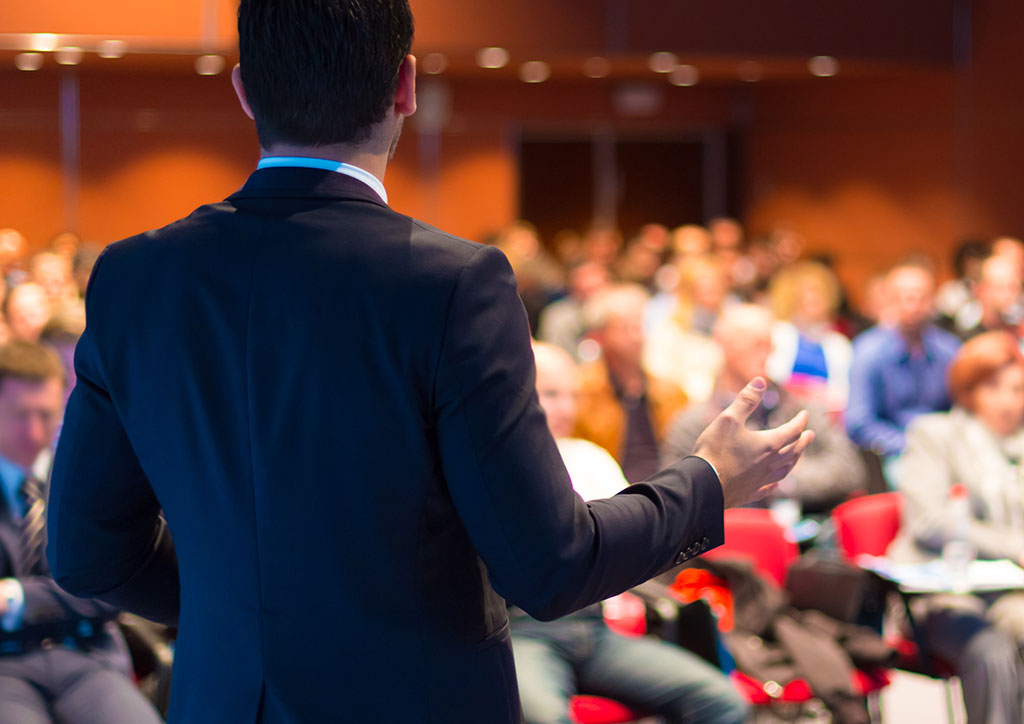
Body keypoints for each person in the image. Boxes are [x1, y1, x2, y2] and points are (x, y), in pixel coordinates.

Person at [45, 2, 812, 723]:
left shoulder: (135, 277)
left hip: (220, 698)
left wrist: (245, 601)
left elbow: (85, 556)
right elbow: (550, 565)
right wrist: (706, 480)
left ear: (244, 92)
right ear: (406, 84)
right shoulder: (450, 284)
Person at [511, 343, 747, 724]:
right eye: (551, 395)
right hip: (526, 633)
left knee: (723, 701)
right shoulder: (497, 471)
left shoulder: (589, 457)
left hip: (593, 629)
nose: (567, 409)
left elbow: (637, 540)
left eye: (573, 395)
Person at [0, 342, 161, 724]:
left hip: (86, 654)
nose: (35, 431)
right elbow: (87, 587)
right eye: (21, 415)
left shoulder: (83, 478)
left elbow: (110, 591)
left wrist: (18, 597)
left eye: (47, 415)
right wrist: (65, 594)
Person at [888, 332, 1024, 724]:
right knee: (991, 650)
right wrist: (1013, 546)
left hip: (1008, 592)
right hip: (944, 591)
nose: (1008, 401)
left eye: (1017, 389)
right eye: (995, 387)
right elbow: (930, 522)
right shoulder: (935, 434)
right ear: (968, 390)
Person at [664, 305, 865, 514]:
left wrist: (781, 477)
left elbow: (849, 470)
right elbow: (679, 496)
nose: (767, 353)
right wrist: (766, 473)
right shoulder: (693, 423)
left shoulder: (800, 408)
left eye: (770, 345)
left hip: (807, 532)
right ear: (723, 344)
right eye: (755, 344)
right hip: (732, 537)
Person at [846, 261, 961, 464]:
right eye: (903, 297)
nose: (913, 305)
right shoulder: (867, 350)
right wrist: (909, 446)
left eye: (921, 297)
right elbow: (858, 422)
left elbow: (963, 409)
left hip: (944, 448)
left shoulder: (949, 349)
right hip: (893, 453)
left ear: (933, 301)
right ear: (889, 301)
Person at [574, 284, 690, 483]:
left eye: (640, 326)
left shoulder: (672, 392)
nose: (638, 336)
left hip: (666, 492)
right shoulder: (580, 391)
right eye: (626, 328)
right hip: (609, 496)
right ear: (600, 337)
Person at [766, 261, 853, 414]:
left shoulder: (839, 344)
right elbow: (772, 379)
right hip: (781, 413)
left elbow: (844, 395)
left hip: (825, 417)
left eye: (818, 293)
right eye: (806, 293)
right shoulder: (777, 334)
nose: (812, 298)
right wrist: (806, 390)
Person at [645, 254, 730, 402]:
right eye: (706, 291)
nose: (713, 298)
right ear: (688, 293)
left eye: (717, 290)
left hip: (724, 403)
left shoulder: (729, 325)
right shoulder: (669, 331)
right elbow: (659, 377)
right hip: (684, 407)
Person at [537, 260, 610, 360]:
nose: (588, 283)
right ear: (571, 285)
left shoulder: (622, 310)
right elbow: (552, 354)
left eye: (593, 276)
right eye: (582, 278)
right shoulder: (557, 316)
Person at [948, 254, 1023, 341]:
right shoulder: (964, 336)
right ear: (981, 290)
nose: (1009, 295)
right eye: (1001, 288)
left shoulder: (1017, 332)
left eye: (1014, 287)